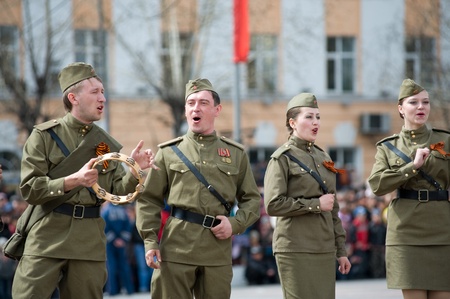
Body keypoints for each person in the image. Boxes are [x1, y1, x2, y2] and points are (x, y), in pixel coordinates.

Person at [11, 62, 157, 299]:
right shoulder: (44, 136)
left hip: (88, 241)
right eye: (95, 92)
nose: (103, 98)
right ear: (73, 97)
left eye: (103, 92)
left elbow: (117, 194)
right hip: (46, 236)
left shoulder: (106, 144)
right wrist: (72, 180)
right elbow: (30, 190)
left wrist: (134, 171)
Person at [136, 78, 261, 299]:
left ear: (216, 109)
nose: (196, 108)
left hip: (217, 250)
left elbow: (251, 199)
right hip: (175, 249)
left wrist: (235, 224)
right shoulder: (168, 152)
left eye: (203, 103)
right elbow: (149, 200)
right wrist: (150, 240)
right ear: (185, 110)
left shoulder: (236, 154)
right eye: (191, 103)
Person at [368, 79, 450, 299]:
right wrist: (412, 167)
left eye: (425, 102)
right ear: (401, 109)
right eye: (414, 102)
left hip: (442, 229)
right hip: (406, 231)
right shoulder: (388, 147)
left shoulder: (445, 141)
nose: (421, 107)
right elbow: (377, 185)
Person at [263, 93, 351, 298]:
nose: (316, 122)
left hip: (324, 247)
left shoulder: (324, 157)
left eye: (318, 117)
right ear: (292, 122)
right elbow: (273, 205)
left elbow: (333, 210)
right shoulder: (282, 158)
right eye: (309, 117)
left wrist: (341, 250)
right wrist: (315, 204)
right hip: (295, 248)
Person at [102, 202, 135, 296]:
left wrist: (113, 239)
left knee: (111, 266)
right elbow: (128, 225)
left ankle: (112, 290)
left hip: (110, 243)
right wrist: (122, 239)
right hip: (122, 243)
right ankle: (129, 289)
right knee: (124, 266)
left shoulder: (106, 210)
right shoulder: (123, 210)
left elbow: (104, 226)